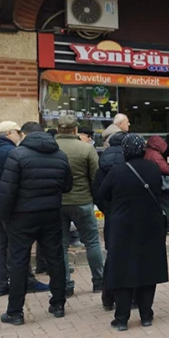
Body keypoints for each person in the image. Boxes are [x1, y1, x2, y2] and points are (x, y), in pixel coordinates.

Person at [0, 122, 72, 325]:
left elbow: (7, 191)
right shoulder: (60, 155)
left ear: (24, 134)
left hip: (22, 216)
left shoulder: (17, 155)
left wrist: (4, 216)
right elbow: (67, 185)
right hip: (51, 214)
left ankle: (15, 311)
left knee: (19, 262)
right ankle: (58, 304)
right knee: (55, 258)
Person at [98, 134, 169, 331]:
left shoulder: (117, 171)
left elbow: (102, 193)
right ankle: (146, 315)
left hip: (124, 226)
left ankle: (121, 319)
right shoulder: (153, 168)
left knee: (122, 271)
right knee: (148, 268)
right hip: (150, 225)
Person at [0, 121, 49, 298]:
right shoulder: (12, 152)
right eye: (17, 132)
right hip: (8, 205)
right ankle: (27, 280)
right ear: (9, 133)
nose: (20, 135)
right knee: (18, 245)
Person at [55, 115, 104, 295]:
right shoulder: (86, 149)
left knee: (61, 244)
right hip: (83, 201)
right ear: (76, 130)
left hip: (58, 202)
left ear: (58, 129)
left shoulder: (51, 148)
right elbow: (96, 177)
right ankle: (99, 280)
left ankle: (66, 284)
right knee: (92, 242)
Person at [92, 131, 127, 310]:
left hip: (112, 216)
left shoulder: (102, 166)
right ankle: (132, 296)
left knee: (112, 257)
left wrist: (107, 209)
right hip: (130, 216)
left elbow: (97, 193)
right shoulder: (130, 163)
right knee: (132, 256)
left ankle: (108, 297)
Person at [145, 135, 169, 235]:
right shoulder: (154, 154)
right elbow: (166, 169)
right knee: (166, 204)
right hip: (159, 185)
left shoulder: (146, 152)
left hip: (149, 184)